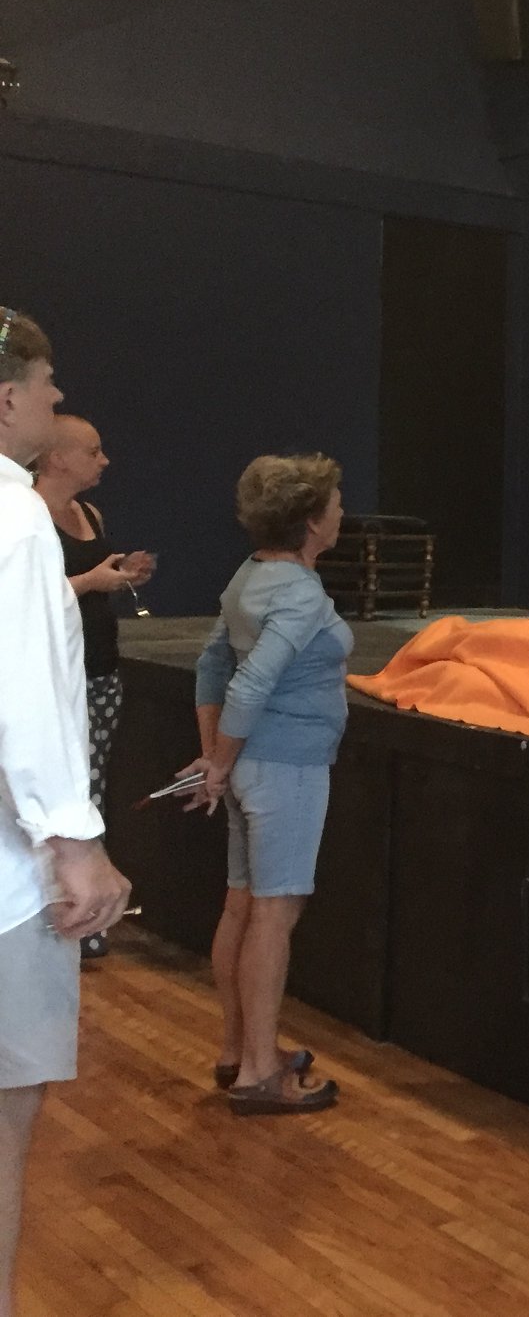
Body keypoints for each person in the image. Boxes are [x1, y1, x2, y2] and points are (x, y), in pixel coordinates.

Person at [0, 309, 131, 1317]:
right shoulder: (13, 519)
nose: (57, 399)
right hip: (8, 885)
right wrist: (75, 839)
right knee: (5, 1115)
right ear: (8, 399)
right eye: (49, 386)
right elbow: (26, 687)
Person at [182, 454, 350, 1116]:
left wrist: (215, 757)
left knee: (243, 907)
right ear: (312, 521)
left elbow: (212, 665)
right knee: (273, 916)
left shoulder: (251, 574)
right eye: (335, 503)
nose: (342, 512)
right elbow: (248, 682)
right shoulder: (299, 592)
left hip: (252, 766)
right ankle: (259, 1072)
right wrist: (218, 762)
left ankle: (239, 1050)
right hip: (286, 768)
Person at [34, 416, 155, 958]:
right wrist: (90, 581)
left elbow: (86, 582)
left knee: (91, 790)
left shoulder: (89, 514)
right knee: (59, 795)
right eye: (93, 451)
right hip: (54, 680)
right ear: (58, 457)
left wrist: (121, 573)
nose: (104, 460)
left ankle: (89, 921)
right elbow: (28, 596)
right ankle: (57, 913)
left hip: (99, 673)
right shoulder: (27, 515)